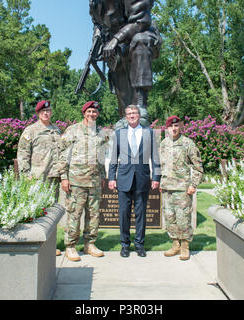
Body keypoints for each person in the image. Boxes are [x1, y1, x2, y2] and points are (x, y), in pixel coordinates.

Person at [88, 0, 162, 129]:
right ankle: (125, 116)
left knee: (140, 40)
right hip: (115, 43)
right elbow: (97, 22)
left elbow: (141, 21)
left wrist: (116, 39)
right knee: (118, 71)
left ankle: (140, 105)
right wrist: (97, 36)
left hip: (140, 33)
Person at [58, 101, 109, 262]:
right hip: (76, 180)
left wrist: (103, 176)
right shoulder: (73, 131)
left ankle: (90, 244)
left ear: (97, 114)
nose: (92, 114)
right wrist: (64, 177)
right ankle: (71, 246)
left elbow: (102, 156)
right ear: (84, 113)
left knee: (93, 215)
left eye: (94, 111)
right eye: (89, 111)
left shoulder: (101, 133)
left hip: (94, 181)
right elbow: (62, 154)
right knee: (74, 214)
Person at [108, 105, 161, 258]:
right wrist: (112, 177)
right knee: (124, 214)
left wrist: (156, 177)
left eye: (134, 113)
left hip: (142, 179)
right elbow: (113, 158)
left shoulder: (149, 133)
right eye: (129, 113)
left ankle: (139, 244)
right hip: (124, 179)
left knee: (141, 214)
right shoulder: (119, 134)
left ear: (139, 115)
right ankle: (125, 245)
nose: (132, 116)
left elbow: (155, 157)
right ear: (125, 116)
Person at [17, 100, 63, 256]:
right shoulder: (30, 131)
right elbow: (23, 154)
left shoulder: (56, 130)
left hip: (53, 177)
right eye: (43, 111)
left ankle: (51, 245)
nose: (46, 113)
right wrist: (26, 174)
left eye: (48, 111)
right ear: (38, 113)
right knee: (36, 212)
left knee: (52, 212)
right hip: (36, 178)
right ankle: (36, 244)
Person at [159, 116, 203, 261]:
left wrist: (193, 184)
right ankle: (175, 244)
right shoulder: (163, 144)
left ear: (180, 127)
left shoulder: (187, 143)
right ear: (167, 128)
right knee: (169, 217)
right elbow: (161, 165)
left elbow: (198, 167)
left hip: (182, 188)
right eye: (171, 126)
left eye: (176, 126)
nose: (174, 129)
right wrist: (161, 182)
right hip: (167, 188)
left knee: (183, 218)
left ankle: (185, 246)